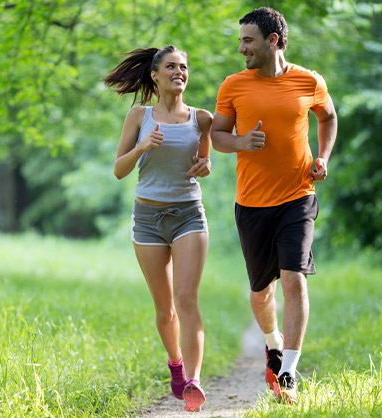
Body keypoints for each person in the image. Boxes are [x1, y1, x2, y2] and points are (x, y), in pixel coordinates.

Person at [211, 7, 338, 405]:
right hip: (251, 202)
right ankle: (272, 343)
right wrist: (241, 142)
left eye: (248, 40)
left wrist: (323, 157)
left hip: (298, 197)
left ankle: (288, 373)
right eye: (240, 41)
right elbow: (217, 136)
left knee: (293, 278)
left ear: (273, 41)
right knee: (261, 291)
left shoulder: (308, 81)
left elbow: (328, 116)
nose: (241, 48)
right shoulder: (233, 86)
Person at [104, 45, 213, 413]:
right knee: (165, 310)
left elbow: (205, 160)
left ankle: (195, 380)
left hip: (188, 215)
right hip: (148, 220)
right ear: (155, 75)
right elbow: (119, 169)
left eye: (184, 66)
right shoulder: (139, 116)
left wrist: (205, 166)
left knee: (186, 299)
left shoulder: (202, 119)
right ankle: (176, 364)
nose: (179, 72)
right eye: (171, 66)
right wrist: (142, 146)